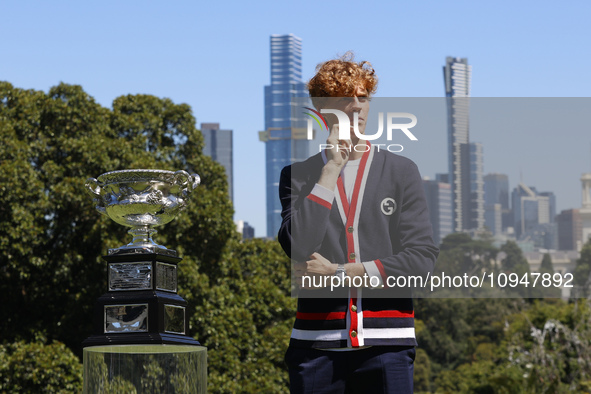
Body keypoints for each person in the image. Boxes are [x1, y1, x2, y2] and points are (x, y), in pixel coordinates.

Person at [278, 53, 439, 393]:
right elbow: (298, 246)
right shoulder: (297, 176)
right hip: (314, 349)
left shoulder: (401, 171)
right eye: (344, 97)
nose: (356, 106)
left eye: (363, 97)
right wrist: (330, 171)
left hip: (388, 348)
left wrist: (339, 272)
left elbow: (421, 260)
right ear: (322, 109)